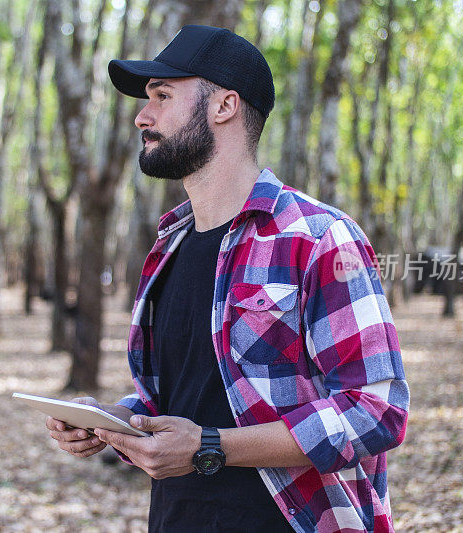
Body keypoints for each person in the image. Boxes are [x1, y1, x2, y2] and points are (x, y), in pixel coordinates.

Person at [46, 24, 409, 533]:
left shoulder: (319, 238)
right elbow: (183, 401)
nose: (141, 116)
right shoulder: (168, 246)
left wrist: (212, 449)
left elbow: (377, 409)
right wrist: (112, 423)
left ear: (224, 107)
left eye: (163, 96)